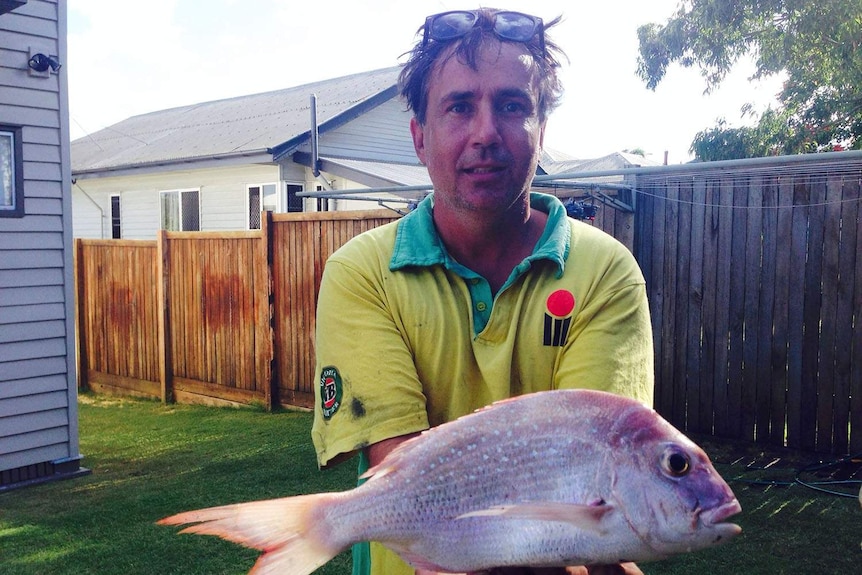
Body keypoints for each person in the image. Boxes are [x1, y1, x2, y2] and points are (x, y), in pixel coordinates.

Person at [311, 8, 654, 575]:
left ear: (541, 130)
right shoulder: (362, 273)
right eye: (459, 106)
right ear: (420, 137)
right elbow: (408, 490)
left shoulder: (605, 272)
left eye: (512, 105)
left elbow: (600, 488)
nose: (486, 132)